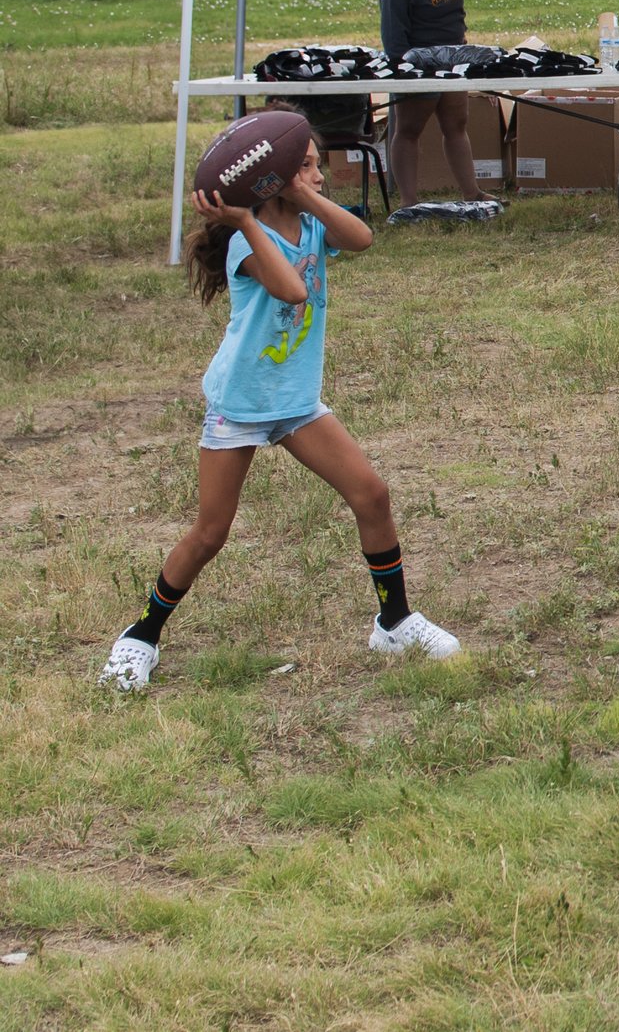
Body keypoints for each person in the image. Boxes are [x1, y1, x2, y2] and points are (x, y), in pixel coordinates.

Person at [100, 125, 460, 691]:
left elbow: (362, 237)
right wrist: (244, 217)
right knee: (211, 533)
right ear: (275, 180)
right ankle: (140, 636)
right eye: (309, 166)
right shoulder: (250, 240)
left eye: (317, 165)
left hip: (294, 402)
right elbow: (292, 290)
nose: (321, 175)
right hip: (241, 404)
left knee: (372, 494)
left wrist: (304, 193)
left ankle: (394, 623)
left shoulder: (313, 220)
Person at [377, 0, 487, 206]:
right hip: (419, 64)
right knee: (409, 129)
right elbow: (392, 31)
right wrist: (404, 69)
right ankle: (409, 201)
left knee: (456, 125)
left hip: (454, 59)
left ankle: (472, 192)